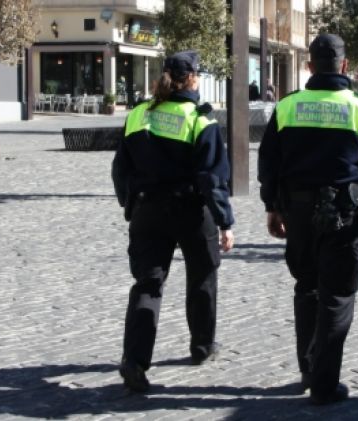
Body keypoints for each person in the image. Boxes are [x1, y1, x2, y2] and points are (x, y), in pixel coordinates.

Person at [258, 34, 358, 405]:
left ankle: (308, 368)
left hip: (299, 212)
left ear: (309, 66)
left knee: (307, 287)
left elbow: (269, 163)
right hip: (346, 214)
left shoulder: (288, 107)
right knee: (337, 295)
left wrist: (271, 206)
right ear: (345, 65)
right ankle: (324, 383)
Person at [112, 50, 235, 393]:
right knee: (202, 276)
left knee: (147, 285)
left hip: (147, 211)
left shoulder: (139, 114)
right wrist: (225, 223)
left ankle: (135, 360)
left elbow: (120, 167)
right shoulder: (200, 120)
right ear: (194, 78)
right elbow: (213, 179)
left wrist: (130, 204)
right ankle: (202, 345)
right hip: (192, 212)